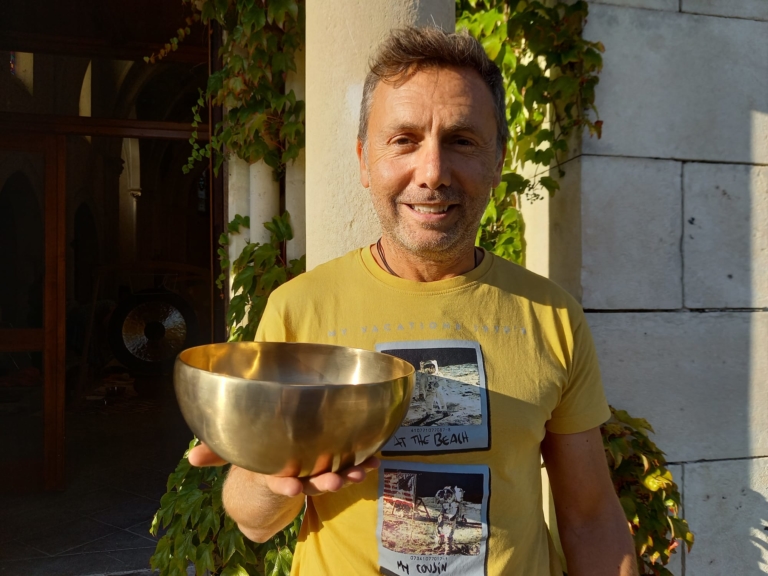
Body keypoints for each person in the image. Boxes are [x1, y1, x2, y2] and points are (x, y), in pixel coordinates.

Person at [190, 26, 638, 576]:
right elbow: (255, 522)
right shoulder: (299, 309)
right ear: (364, 160)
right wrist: (268, 478)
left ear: (497, 160)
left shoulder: (551, 316)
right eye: (403, 140)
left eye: (462, 141)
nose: (432, 173)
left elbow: (591, 519)